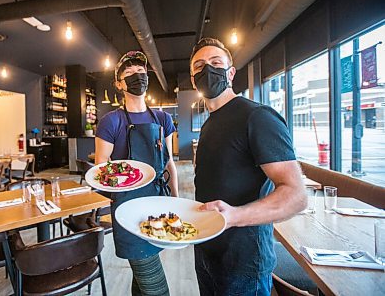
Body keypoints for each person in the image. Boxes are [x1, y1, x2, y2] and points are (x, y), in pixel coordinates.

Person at [189, 38, 307, 296]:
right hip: (207, 252)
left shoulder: (257, 116)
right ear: (192, 79)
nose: (207, 70)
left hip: (244, 263)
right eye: (199, 66)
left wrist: (233, 216)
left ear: (230, 73)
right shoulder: (209, 124)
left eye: (216, 63)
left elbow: (296, 195)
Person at [95, 50, 179, 296]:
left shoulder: (163, 118)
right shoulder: (111, 122)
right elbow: (102, 166)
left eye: (141, 72)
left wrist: (175, 199)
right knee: (156, 288)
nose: (137, 76)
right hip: (126, 209)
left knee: (142, 281)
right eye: (129, 73)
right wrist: (113, 191)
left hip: (156, 203)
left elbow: (169, 163)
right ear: (119, 83)